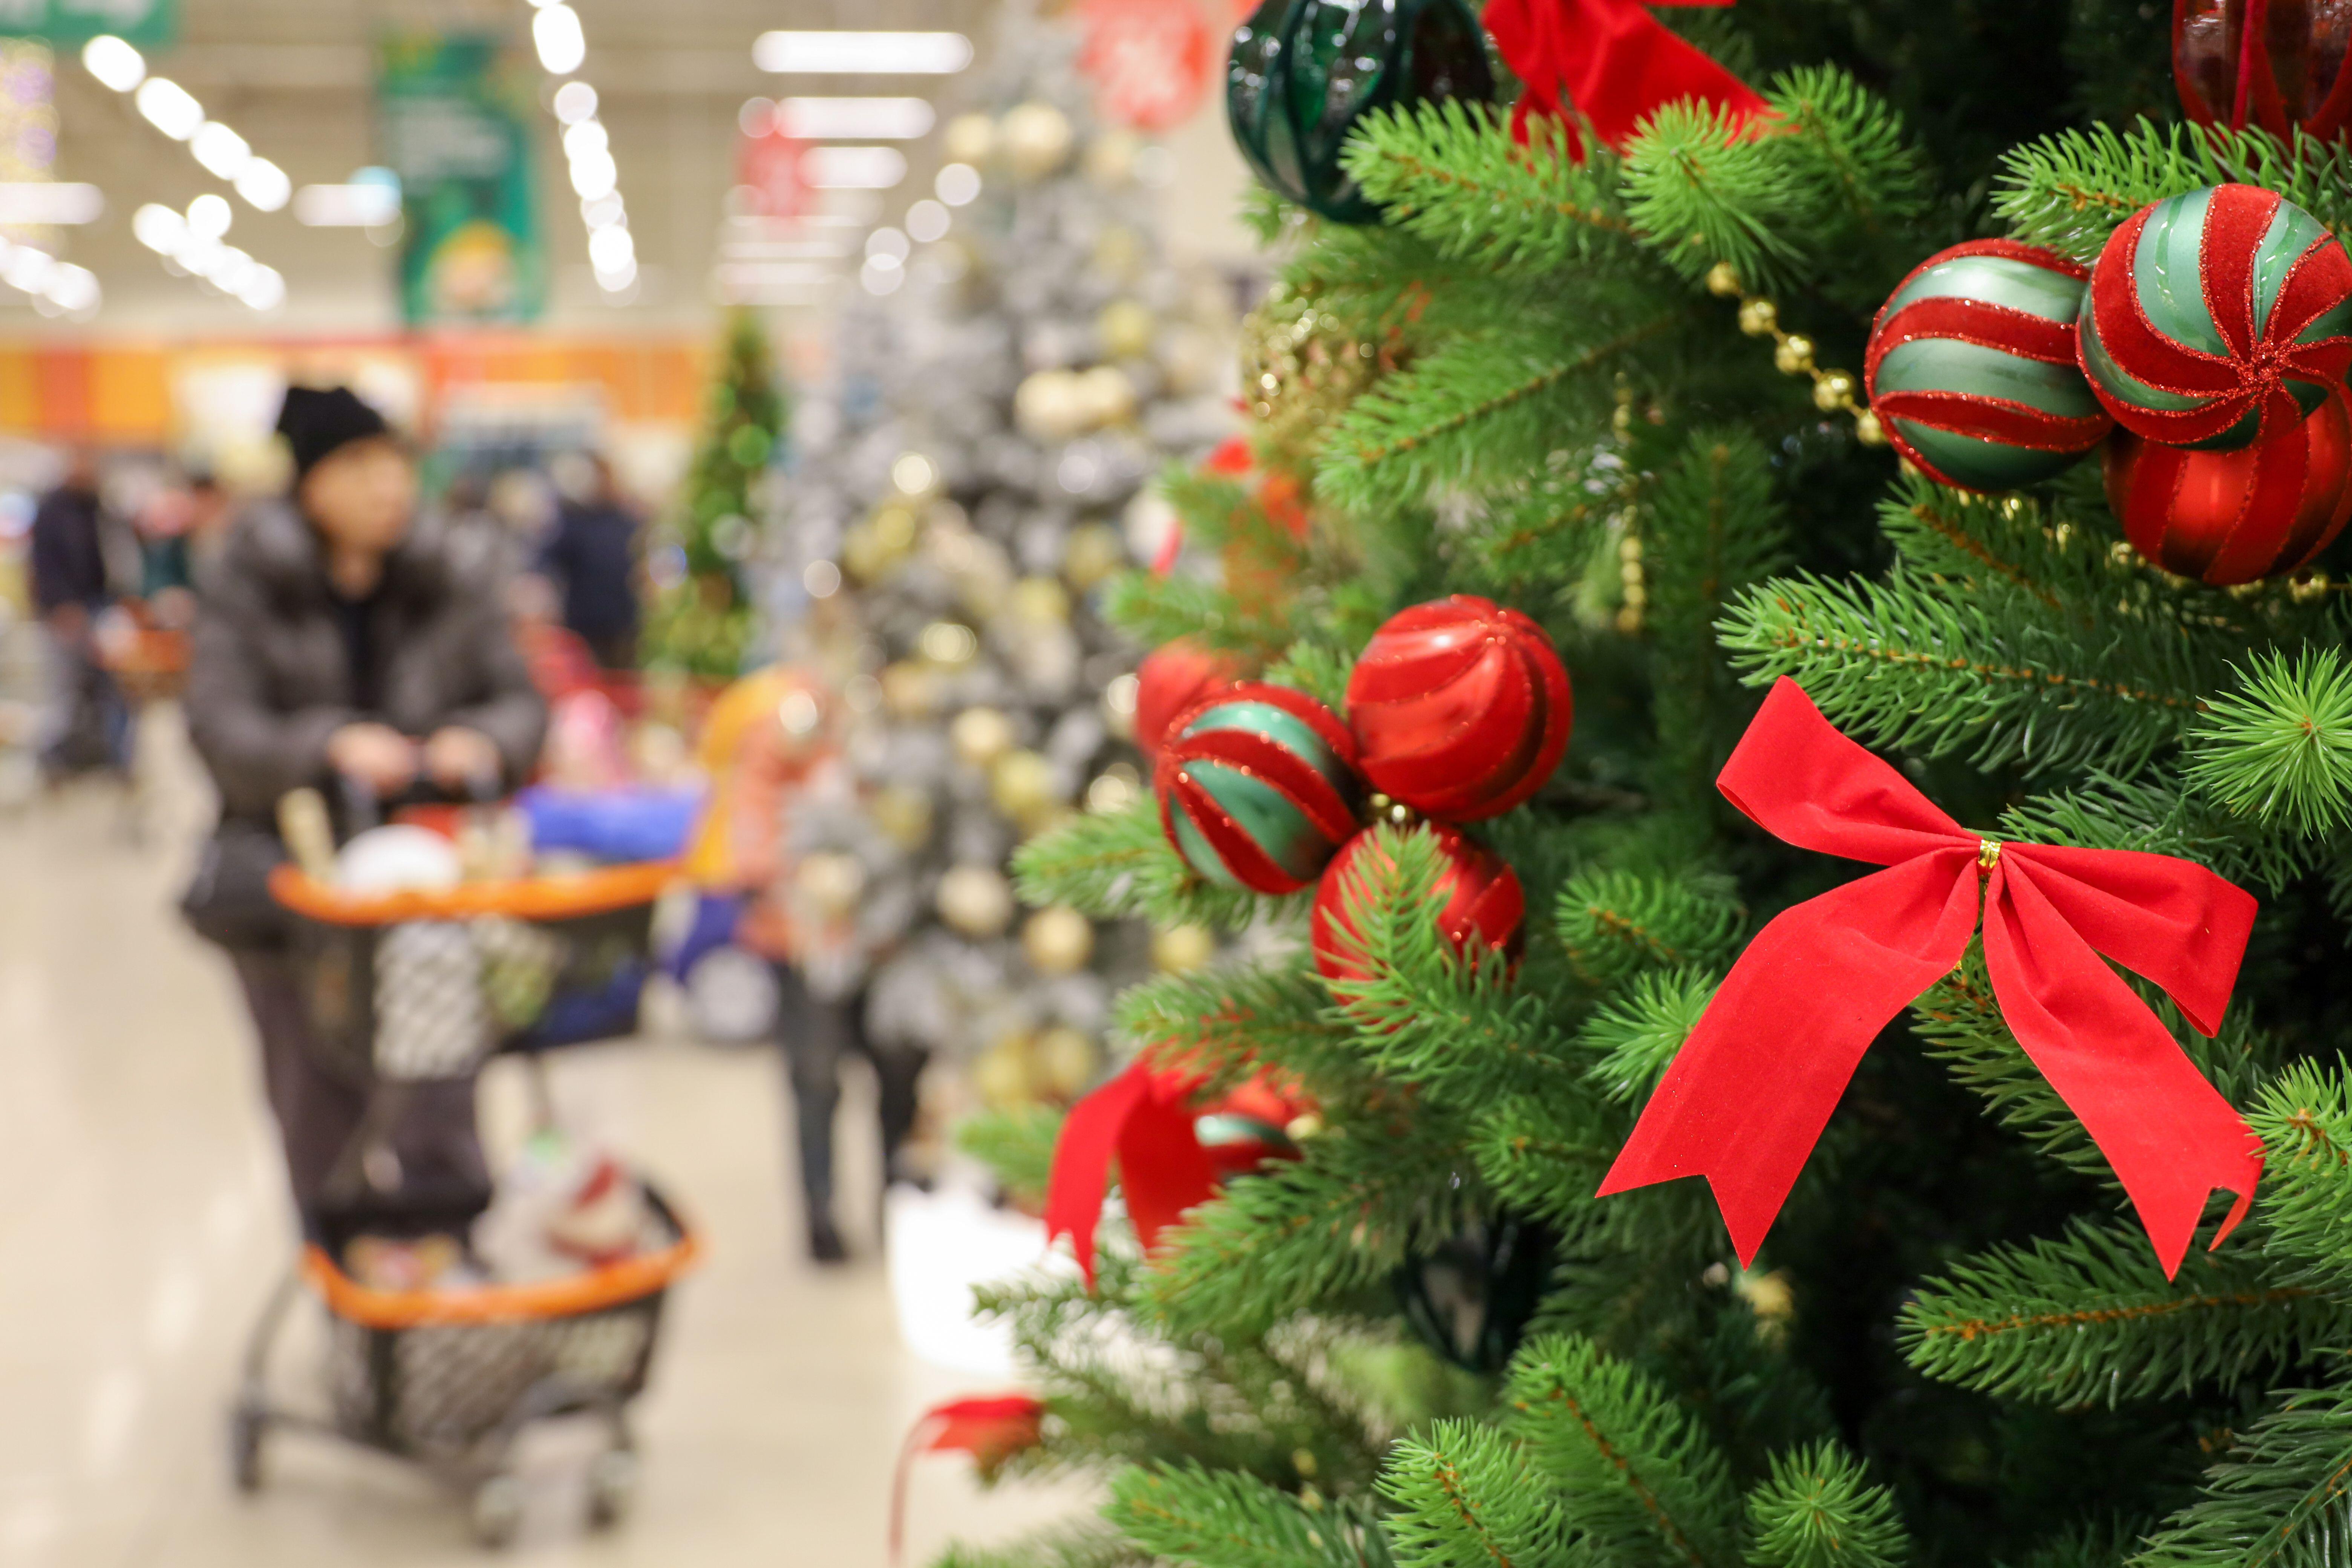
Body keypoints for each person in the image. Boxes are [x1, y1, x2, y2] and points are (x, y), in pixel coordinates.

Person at [184, 386, 548, 1243]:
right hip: (291, 887)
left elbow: (521, 700)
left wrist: (481, 740)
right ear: (310, 483)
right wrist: (330, 746)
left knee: (438, 1083)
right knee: (316, 1098)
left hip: (425, 885)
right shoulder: (245, 581)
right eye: (359, 467)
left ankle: (447, 1273)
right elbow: (219, 727)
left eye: (396, 465)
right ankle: (351, 1283)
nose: (388, 487)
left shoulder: (452, 570)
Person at [28, 448, 131, 777]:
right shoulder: (51, 510)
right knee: (65, 693)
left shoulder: (101, 507)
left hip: (102, 608)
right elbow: (43, 565)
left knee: (114, 688)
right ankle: (56, 763)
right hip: (65, 613)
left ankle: (113, 759)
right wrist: (59, 606)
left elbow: (115, 557)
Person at [536, 452, 642, 671]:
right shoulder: (573, 522)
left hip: (624, 621)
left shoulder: (625, 521)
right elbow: (546, 561)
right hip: (584, 624)